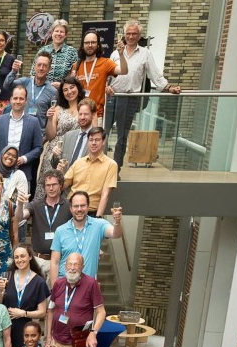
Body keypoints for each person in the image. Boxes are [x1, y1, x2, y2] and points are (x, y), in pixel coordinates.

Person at [107, 19, 173, 168]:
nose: (131, 36)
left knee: (122, 137)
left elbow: (155, 75)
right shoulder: (115, 53)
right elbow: (107, 74)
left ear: (139, 35)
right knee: (102, 134)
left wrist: (168, 87)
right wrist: (106, 87)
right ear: (124, 34)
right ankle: (101, 169)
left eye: (134, 34)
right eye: (128, 33)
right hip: (112, 97)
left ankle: (116, 170)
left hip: (129, 99)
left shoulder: (145, 54)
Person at [47, 252, 107, 347]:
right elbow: (51, 311)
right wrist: (48, 337)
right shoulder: (58, 283)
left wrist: (93, 333)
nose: (72, 268)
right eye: (69, 264)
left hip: (76, 343)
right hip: (56, 342)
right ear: (65, 266)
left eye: (76, 264)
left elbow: (101, 312)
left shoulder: (91, 284)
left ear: (82, 267)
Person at [52, 189, 122, 280]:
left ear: (88, 207)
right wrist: (55, 287)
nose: (79, 209)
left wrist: (117, 222)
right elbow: (55, 262)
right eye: (76, 206)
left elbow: (116, 234)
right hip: (65, 281)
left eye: (83, 205)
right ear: (71, 209)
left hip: (88, 284)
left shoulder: (99, 225)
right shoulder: (60, 230)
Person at [64, 130, 124, 220]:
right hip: (70, 210)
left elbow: (105, 195)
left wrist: (98, 218)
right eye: (91, 140)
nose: (93, 143)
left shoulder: (111, 165)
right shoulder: (78, 162)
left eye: (97, 140)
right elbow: (63, 185)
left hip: (91, 213)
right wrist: (60, 171)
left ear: (103, 142)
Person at [2, 243, 51, 347]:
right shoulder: (7, 276)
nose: (19, 260)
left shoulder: (39, 282)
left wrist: (24, 313)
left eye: (22, 256)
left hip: (27, 332)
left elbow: (42, 312)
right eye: (16, 257)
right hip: (6, 329)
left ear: (30, 257)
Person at [0, 84, 44, 178]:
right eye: (15, 98)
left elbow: (39, 147)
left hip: (23, 171)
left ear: (26, 101)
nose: (18, 101)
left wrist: (24, 158)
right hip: (0, 172)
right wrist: (0, 159)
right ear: (11, 99)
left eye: (21, 99)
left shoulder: (34, 122)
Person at [27, 172, 72, 274]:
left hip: (61, 261)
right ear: (44, 187)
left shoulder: (69, 206)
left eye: (54, 184)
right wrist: (21, 205)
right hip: (38, 260)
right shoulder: (35, 204)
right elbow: (21, 217)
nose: (51, 188)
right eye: (48, 185)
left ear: (60, 185)